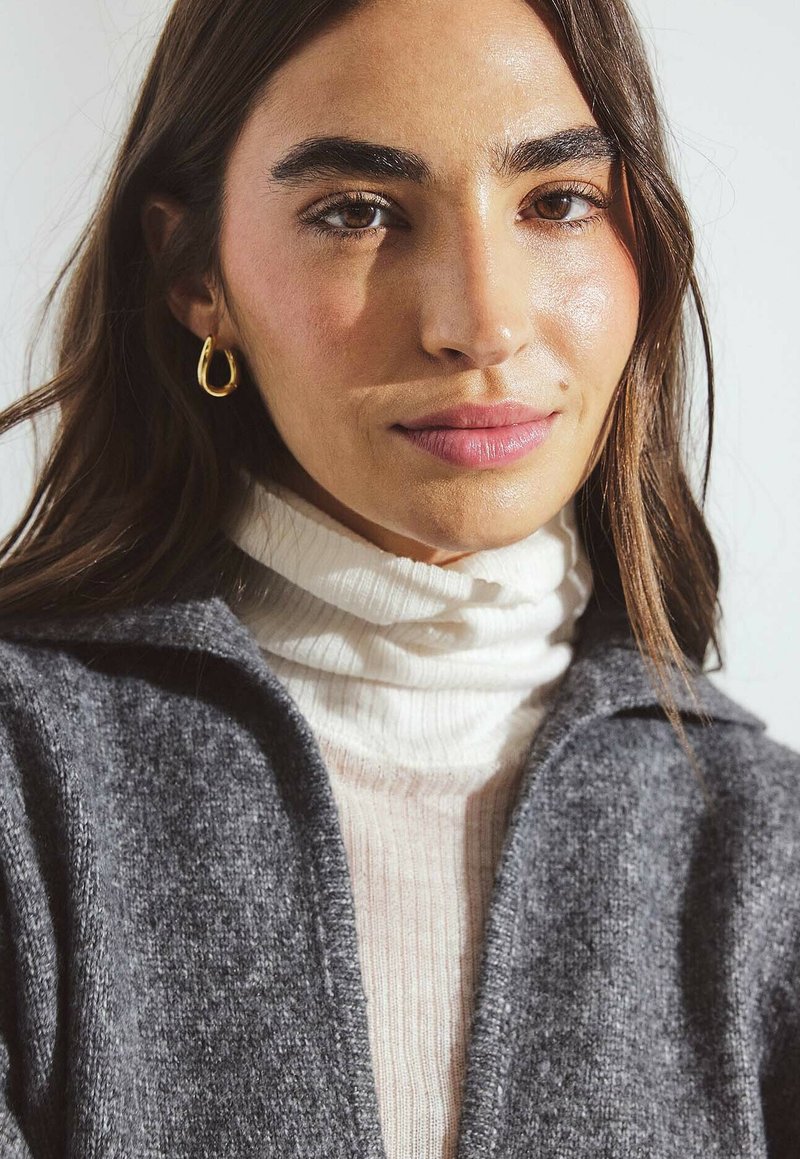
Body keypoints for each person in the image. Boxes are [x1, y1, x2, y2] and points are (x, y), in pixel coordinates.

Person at [0, 0, 797, 1155]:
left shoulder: (766, 846)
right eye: (357, 211)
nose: (479, 323)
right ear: (195, 274)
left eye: (556, 202)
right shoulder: (22, 782)